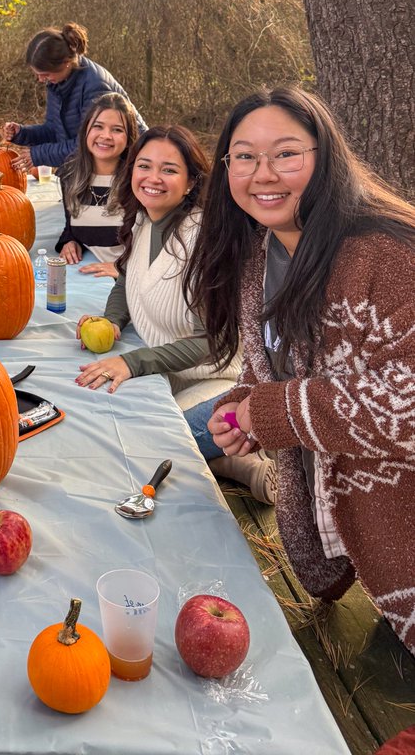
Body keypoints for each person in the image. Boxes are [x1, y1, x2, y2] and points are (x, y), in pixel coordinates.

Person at [186, 87, 415, 653]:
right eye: (244, 156)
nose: (264, 173)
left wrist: (269, 410)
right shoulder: (259, 256)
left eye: (286, 153)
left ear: (324, 156)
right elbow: (278, 374)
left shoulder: (386, 255)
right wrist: (240, 407)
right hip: (351, 533)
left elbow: (406, 405)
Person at [74, 125, 276, 503]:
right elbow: (124, 279)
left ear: (189, 182)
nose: (153, 178)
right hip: (169, 370)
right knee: (102, 422)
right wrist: (112, 321)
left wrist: (133, 362)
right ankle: (235, 463)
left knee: (155, 441)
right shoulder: (141, 219)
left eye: (168, 170)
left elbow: (209, 342)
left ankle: (241, 439)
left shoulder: (202, 237)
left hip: (219, 376)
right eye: (144, 166)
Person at [2, 22, 146, 172]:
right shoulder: (58, 83)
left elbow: (90, 144)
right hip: (89, 169)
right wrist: (22, 133)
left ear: (66, 63)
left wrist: (38, 155)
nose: (40, 80)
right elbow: (54, 131)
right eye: (37, 74)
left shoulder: (96, 87)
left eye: (45, 74)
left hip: (123, 168)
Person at [54, 92, 139, 277]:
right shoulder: (70, 175)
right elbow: (71, 225)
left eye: (117, 129)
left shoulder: (138, 180)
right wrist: (70, 240)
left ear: (128, 138)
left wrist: (122, 269)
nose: (106, 135)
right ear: (86, 130)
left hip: (131, 279)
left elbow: (153, 246)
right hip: (90, 276)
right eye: (98, 126)